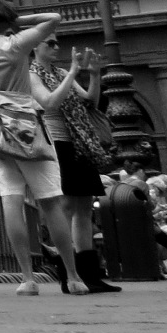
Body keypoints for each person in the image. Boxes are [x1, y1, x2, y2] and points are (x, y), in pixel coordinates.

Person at [0, 0, 87, 296]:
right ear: (6, 21)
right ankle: (73, 276)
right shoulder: (15, 43)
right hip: (28, 131)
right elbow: (54, 18)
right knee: (50, 201)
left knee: (10, 200)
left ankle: (27, 279)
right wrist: (18, 21)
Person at [31, 36, 120, 293]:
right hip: (57, 143)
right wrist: (72, 72)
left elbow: (89, 101)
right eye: (50, 43)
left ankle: (90, 275)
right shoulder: (31, 75)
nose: (56, 47)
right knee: (67, 206)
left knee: (85, 207)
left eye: (57, 43)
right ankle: (68, 275)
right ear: (35, 47)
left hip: (81, 141)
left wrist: (93, 75)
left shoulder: (59, 72)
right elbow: (49, 103)